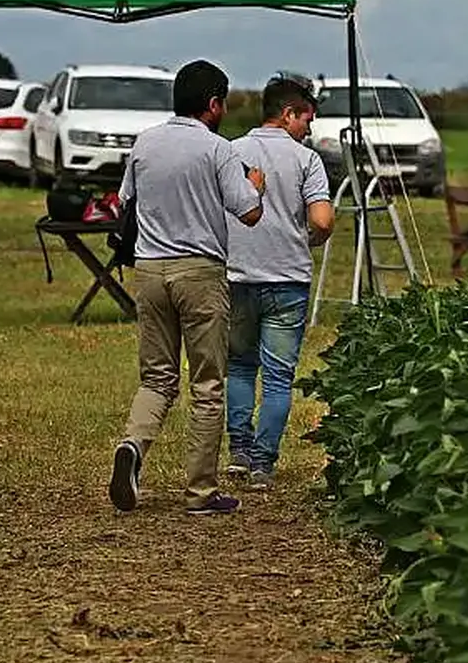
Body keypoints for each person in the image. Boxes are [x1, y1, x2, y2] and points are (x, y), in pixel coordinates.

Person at [108, 59, 266, 516]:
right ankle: (200, 490)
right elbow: (249, 213)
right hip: (200, 271)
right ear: (213, 103)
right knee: (207, 382)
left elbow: (125, 201)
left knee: (157, 376)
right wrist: (255, 185)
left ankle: (134, 445)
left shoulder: (145, 143)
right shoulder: (218, 151)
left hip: (150, 270)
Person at [224, 72, 335, 489]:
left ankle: (238, 449)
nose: (309, 129)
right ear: (289, 114)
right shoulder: (307, 160)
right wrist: (308, 239)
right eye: (307, 119)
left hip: (238, 275)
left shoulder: (230, 152)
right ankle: (262, 464)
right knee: (277, 377)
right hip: (288, 279)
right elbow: (322, 220)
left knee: (238, 366)